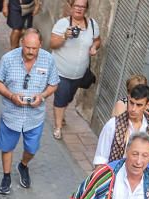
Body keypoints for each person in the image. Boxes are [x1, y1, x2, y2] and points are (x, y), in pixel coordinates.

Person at [0, 29, 59, 194]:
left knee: (32, 149)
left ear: (40, 46)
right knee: (7, 147)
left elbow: (54, 84)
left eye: (34, 48)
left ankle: (23, 165)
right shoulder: (8, 59)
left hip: (34, 116)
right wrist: (10, 95)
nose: (30, 51)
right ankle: (6, 176)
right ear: (22, 43)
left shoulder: (48, 60)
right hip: (11, 113)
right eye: (27, 47)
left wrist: (42, 96)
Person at [49, 0, 100, 140]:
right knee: (61, 97)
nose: (79, 9)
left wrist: (94, 47)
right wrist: (65, 36)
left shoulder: (93, 25)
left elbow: (97, 40)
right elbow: (52, 44)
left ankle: (61, 113)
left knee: (68, 97)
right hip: (60, 70)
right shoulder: (63, 23)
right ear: (71, 7)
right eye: (76, 6)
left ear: (86, 9)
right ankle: (58, 127)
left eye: (82, 7)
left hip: (79, 73)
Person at [94, 83, 149, 166]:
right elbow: (100, 159)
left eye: (139, 105)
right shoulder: (113, 125)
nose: (133, 109)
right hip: (115, 175)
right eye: (131, 103)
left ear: (147, 105)